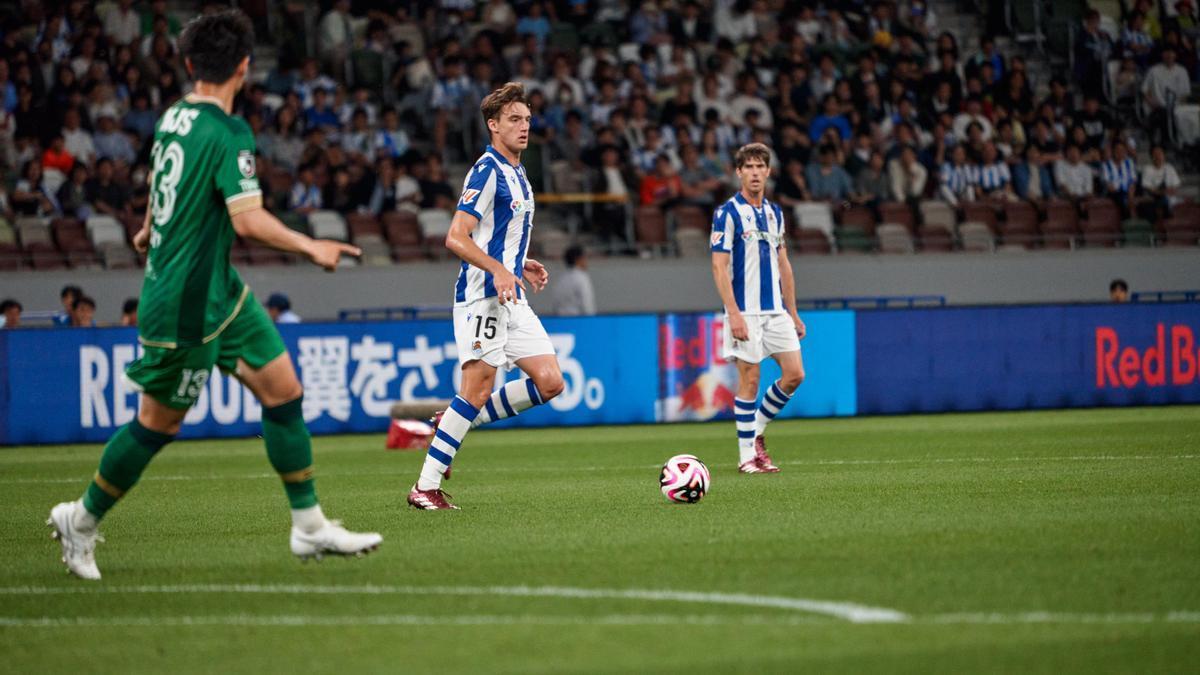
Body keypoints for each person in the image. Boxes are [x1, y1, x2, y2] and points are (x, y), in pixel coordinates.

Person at [47, 11, 381, 582]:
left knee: (284, 391)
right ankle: (79, 519)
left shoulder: (174, 115)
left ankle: (308, 526)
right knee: (157, 425)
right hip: (182, 301)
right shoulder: (230, 133)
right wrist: (311, 246)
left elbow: (163, 180)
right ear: (246, 68)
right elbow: (246, 219)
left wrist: (152, 224)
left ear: (187, 64)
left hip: (219, 291)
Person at [409, 82, 565, 510]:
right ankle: (425, 486)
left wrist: (518, 262)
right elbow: (456, 238)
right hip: (482, 296)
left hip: (510, 292)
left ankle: (453, 421)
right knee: (477, 390)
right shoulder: (487, 169)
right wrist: (498, 268)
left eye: (527, 119)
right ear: (493, 125)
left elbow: (498, 235)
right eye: (514, 119)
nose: (524, 127)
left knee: (551, 382)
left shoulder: (518, 171)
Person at [710, 143, 806, 474]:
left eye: (760, 166)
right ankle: (746, 457)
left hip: (775, 310)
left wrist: (792, 312)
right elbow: (719, 267)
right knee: (749, 379)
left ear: (768, 172)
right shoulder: (727, 213)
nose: (754, 172)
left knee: (795, 374)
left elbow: (784, 264)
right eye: (748, 167)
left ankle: (757, 432)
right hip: (745, 311)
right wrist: (733, 313)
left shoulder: (775, 213)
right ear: (738, 172)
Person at [550, 245, 596, 316]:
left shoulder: (561, 279)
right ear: (578, 259)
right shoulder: (582, 278)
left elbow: (555, 304)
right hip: (578, 320)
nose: (586, 261)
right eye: (584, 258)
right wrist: (591, 321)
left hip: (560, 320)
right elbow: (587, 304)